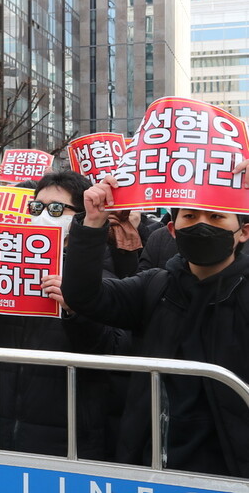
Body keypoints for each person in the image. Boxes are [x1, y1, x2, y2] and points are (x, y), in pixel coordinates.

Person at [62, 175, 249, 477]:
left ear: (243, 232)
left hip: (233, 464)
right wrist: (94, 222)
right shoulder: (155, 286)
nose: (202, 225)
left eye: (216, 216)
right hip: (154, 459)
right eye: (190, 216)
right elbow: (84, 297)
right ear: (172, 230)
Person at [0, 170, 127, 459]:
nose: (43, 215)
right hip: (1, 428)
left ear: (80, 216)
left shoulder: (97, 272)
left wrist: (75, 307)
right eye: (36, 207)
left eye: (56, 208)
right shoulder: (7, 264)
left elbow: (109, 347)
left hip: (67, 437)